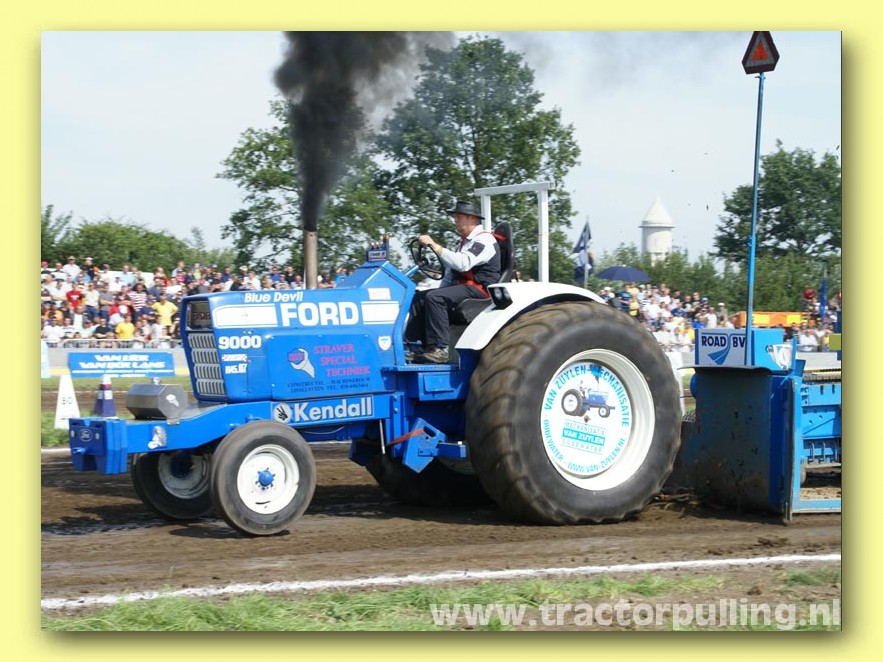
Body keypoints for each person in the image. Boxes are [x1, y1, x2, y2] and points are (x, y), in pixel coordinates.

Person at [405, 200, 501, 364]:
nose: (455, 220)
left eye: (459, 217)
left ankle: (440, 349)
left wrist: (434, 246)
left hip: (480, 290)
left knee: (435, 298)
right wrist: (438, 290)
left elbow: (463, 263)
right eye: (455, 217)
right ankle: (416, 347)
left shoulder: (484, 240)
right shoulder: (464, 243)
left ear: (471, 218)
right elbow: (450, 273)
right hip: (464, 288)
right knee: (420, 298)